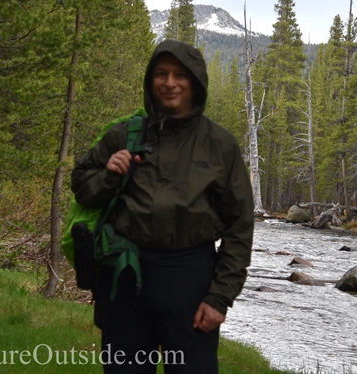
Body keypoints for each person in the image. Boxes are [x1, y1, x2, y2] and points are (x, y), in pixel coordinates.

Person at [71, 39, 254, 373]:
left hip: (190, 278)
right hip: (126, 276)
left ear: (195, 82)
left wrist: (219, 297)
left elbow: (239, 228)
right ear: (150, 80)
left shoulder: (220, 145)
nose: (170, 83)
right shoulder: (125, 135)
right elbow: (82, 186)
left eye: (180, 75)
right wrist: (110, 175)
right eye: (161, 74)